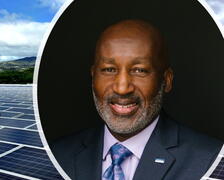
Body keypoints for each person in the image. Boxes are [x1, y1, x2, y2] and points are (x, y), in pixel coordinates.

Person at [51, 19, 223, 180]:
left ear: (166, 81)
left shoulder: (212, 161)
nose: (122, 88)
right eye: (109, 69)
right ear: (93, 76)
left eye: (139, 70)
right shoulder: (57, 155)